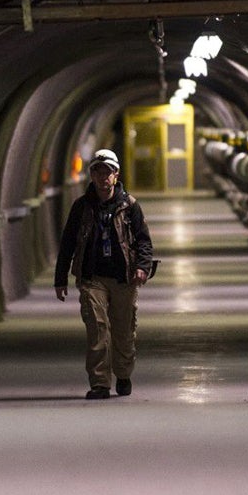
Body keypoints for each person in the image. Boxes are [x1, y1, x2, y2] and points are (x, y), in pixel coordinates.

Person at [54, 148, 153, 400]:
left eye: (107, 172)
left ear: (116, 174)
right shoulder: (81, 207)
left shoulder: (130, 206)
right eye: (98, 172)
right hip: (92, 277)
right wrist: (60, 278)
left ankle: (123, 374)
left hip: (124, 277)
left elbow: (143, 240)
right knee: (97, 329)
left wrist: (142, 266)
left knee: (123, 329)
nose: (103, 177)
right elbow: (67, 243)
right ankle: (99, 383)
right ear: (92, 175)